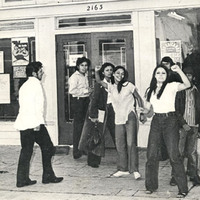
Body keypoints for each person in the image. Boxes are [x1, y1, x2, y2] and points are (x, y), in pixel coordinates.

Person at [14, 61, 63, 188]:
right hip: (34, 123)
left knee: (26, 151)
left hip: (23, 122)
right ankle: (47, 176)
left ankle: (22, 180)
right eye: (41, 71)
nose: (42, 73)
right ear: (35, 73)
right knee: (49, 147)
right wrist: (38, 123)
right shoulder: (36, 85)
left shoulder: (24, 85)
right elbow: (38, 106)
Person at [144, 64, 190, 198]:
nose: (160, 75)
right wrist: (143, 112)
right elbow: (148, 111)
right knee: (151, 155)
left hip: (170, 120)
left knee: (174, 155)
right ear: (154, 75)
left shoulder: (171, 86)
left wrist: (179, 70)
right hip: (156, 121)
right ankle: (151, 186)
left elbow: (187, 84)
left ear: (167, 75)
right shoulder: (150, 90)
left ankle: (183, 189)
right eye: (158, 73)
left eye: (163, 73)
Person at [95, 65, 146, 179]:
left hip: (130, 115)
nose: (120, 75)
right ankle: (123, 169)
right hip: (118, 118)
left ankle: (134, 170)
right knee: (120, 144)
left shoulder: (129, 85)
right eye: (117, 73)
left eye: (122, 74)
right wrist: (97, 71)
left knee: (130, 143)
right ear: (113, 74)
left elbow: (138, 98)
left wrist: (141, 112)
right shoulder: (111, 87)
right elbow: (98, 81)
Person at [78, 62, 115, 168]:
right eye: (107, 70)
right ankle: (93, 160)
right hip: (101, 111)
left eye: (111, 70)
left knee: (115, 133)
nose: (109, 72)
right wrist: (93, 115)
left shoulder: (113, 84)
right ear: (103, 72)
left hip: (112, 111)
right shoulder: (99, 84)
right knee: (97, 134)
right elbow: (94, 100)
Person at [173, 67, 200, 186]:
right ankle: (175, 175)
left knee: (192, 152)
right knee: (179, 151)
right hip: (182, 126)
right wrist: (183, 124)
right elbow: (176, 110)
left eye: (190, 75)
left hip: (194, 125)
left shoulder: (196, 91)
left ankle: (193, 174)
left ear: (193, 77)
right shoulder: (179, 91)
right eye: (186, 75)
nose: (188, 77)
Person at [68, 57, 92, 159]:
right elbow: (72, 91)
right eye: (82, 65)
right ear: (78, 66)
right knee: (78, 127)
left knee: (85, 126)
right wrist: (86, 91)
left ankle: (83, 148)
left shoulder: (85, 75)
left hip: (85, 101)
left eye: (86, 65)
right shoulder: (75, 77)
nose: (84, 67)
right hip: (78, 102)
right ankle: (76, 151)